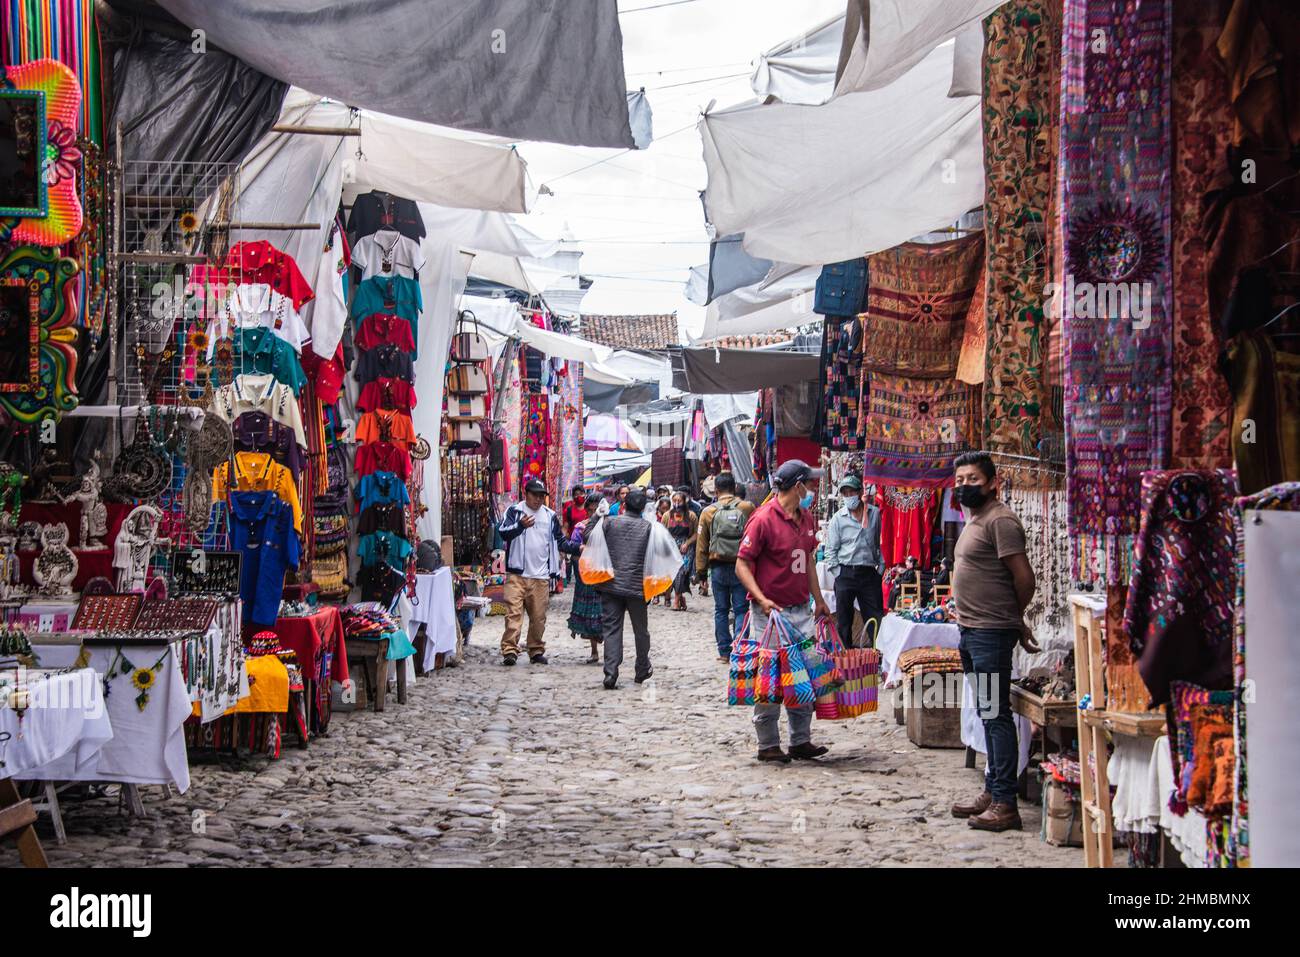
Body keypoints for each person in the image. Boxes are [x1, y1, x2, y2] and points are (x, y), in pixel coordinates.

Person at [948, 451, 1037, 833]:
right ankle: (992, 789)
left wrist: (1010, 618)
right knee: (988, 713)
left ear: (993, 482)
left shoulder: (1000, 520)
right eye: (960, 479)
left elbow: (1024, 577)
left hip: (989, 634)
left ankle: (1005, 803)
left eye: (973, 479)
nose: (965, 485)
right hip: (972, 631)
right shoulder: (976, 520)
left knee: (996, 715)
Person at [734, 460, 833, 763]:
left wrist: (819, 600)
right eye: (810, 483)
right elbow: (742, 564)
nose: (813, 489)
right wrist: (761, 598)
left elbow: (809, 564)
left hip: (801, 610)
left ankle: (801, 740)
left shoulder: (806, 521)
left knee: (804, 674)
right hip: (770, 615)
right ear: (798, 486)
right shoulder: (763, 519)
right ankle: (768, 744)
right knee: (771, 678)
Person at [497, 478, 579, 667]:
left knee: (538, 617)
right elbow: (503, 532)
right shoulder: (515, 511)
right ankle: (510, 650)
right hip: (517, 574)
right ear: (526, 494)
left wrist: (578, 548)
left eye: (542, 496)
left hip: (541, 576)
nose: (539, 499)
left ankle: (535, 649)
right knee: (513, 614)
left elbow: (561, 541)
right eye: (535, 495)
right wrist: (520, 526)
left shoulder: (550, 516)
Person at [596, 488, 655, 689]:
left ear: (624, 505)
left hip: (611, 585)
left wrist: (597, 516)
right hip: (637, 588)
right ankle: (641, 669)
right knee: (641, 631)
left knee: (612, 629)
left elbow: (591, 539)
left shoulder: (609, 523)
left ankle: (611, 672)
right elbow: (654, 558)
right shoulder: (649, 528)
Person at [695, 472, 754, 660]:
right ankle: (740, 649)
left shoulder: (708, 511)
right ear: (735, 487)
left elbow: (701, 545)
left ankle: (724, 651)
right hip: (742, 567)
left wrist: (701, 573)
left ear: (717, 490)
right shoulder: (747, 508)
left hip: (718, 567)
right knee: (741, 609)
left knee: (721, 610)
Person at [824, 474, 885, 648]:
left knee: (875, 617)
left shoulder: (874, 514)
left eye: (852, 492)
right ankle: (846, 656)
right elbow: (831, 550)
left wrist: (880, 568)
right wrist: (838, 572)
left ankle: (877, 655)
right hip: (846, 572)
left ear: (860, 493)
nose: (849, 496)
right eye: (845, 493)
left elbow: (878, 541)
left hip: (868, 572)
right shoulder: (838, 518)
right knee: (844, 619)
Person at [566, 492, 606, 663]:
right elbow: (574, 551)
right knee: (590, 613)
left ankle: (608, 647)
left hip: (605, 575)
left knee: (606, 613)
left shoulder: (609, 526)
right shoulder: (580, 528)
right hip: (587, 576)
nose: (592, 513)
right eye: (590, 510)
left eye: (595, 510)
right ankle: (594, 650)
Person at [664, 492, 698, 611]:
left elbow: (695, 534)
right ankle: (680, 597)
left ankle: (676, 601)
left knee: (681, 573)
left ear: (685, 501)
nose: (677, 503)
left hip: (686, 548)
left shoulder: (691, 516)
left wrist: (687, 543)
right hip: (671, 548)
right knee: (673, 575)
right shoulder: (667, 515)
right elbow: (662, 533)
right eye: (675, 500)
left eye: (680, 500)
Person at [561, 484, 588, 585]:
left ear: (585, 494)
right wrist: (562, 544)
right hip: (575, 545)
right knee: (579, 575)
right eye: (576, 495)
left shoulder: (589, 508)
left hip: (589, 543)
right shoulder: (569, 510)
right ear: (573, 497)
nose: (579, 496)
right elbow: (565, 527)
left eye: (581, 494)